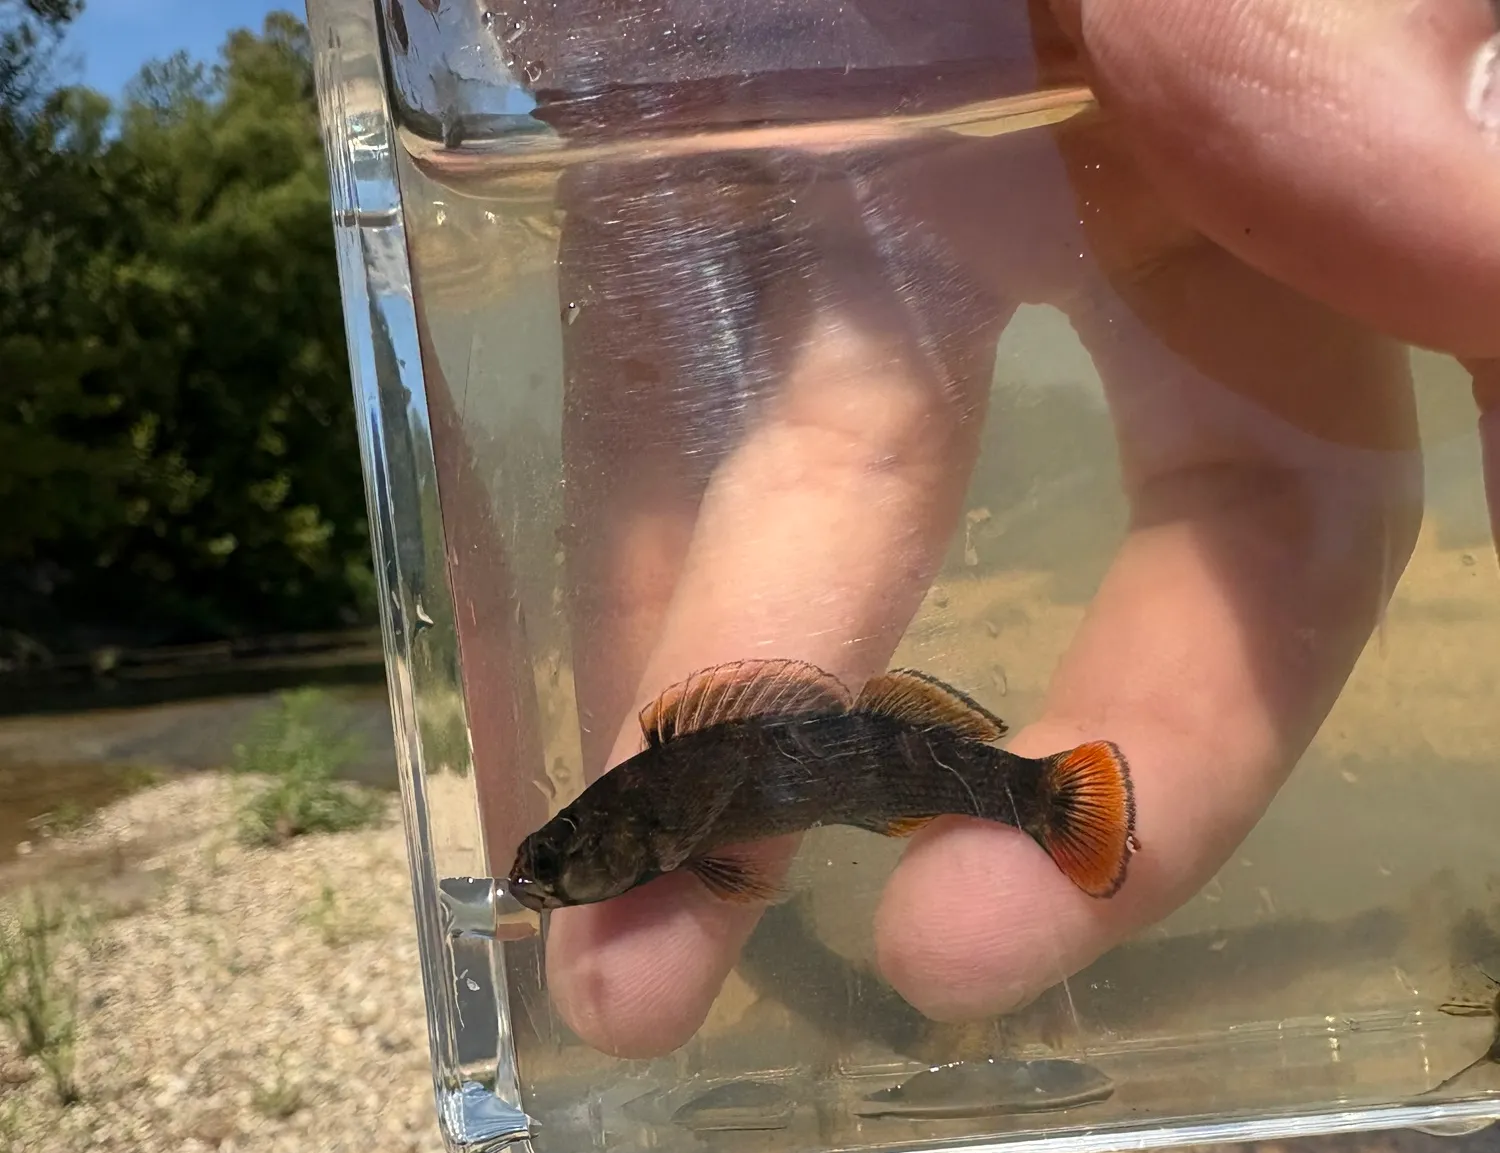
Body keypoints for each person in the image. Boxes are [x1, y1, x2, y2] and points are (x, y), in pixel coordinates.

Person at [470, 0, 1500, 1058]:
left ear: (628, 843)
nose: (541, 879)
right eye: (553, 867)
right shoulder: (659, 803)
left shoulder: (659, 807)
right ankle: (1040, 799)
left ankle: (1047, 798)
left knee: (938, 931)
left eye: (551, 866)